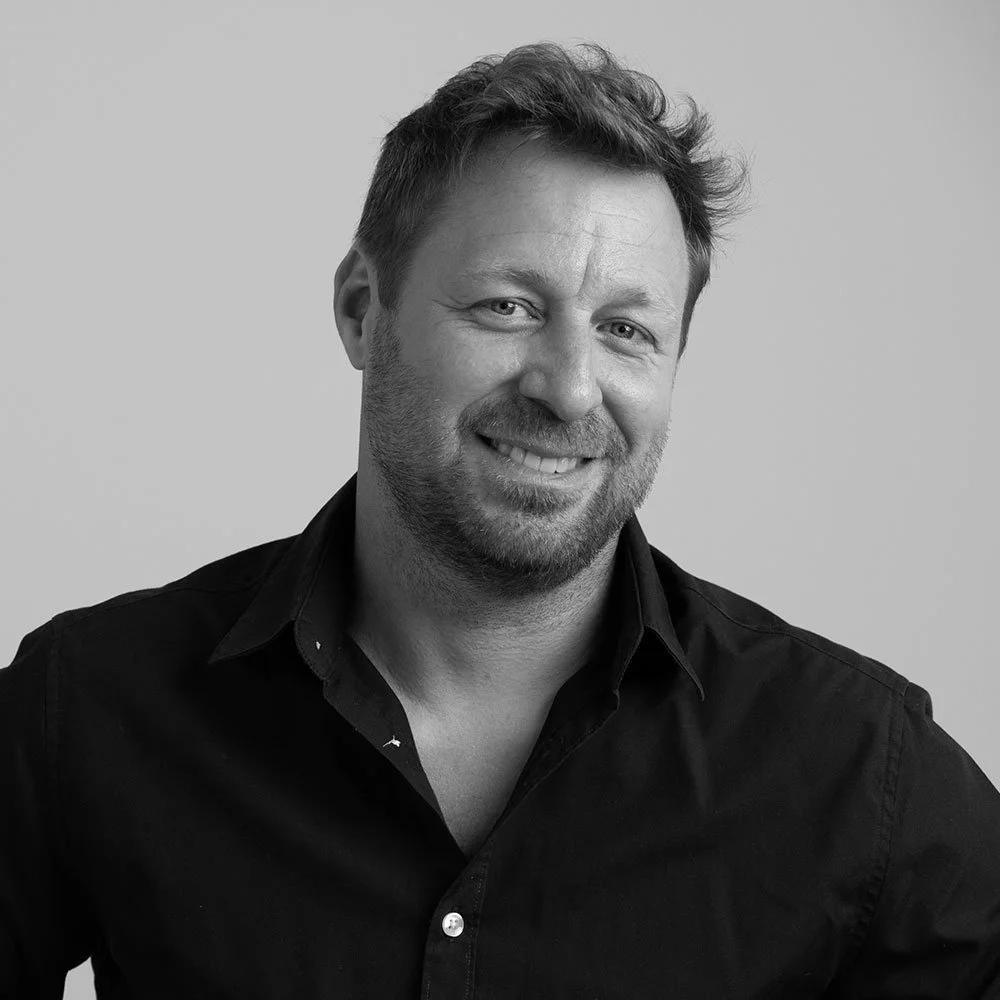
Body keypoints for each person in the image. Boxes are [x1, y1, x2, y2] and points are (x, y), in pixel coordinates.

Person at [2, 41, 998, 1000]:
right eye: (508, 306)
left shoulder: (853, 763)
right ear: (361, 308)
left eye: (626, 330)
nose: (569, 389)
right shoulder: (88, 706)